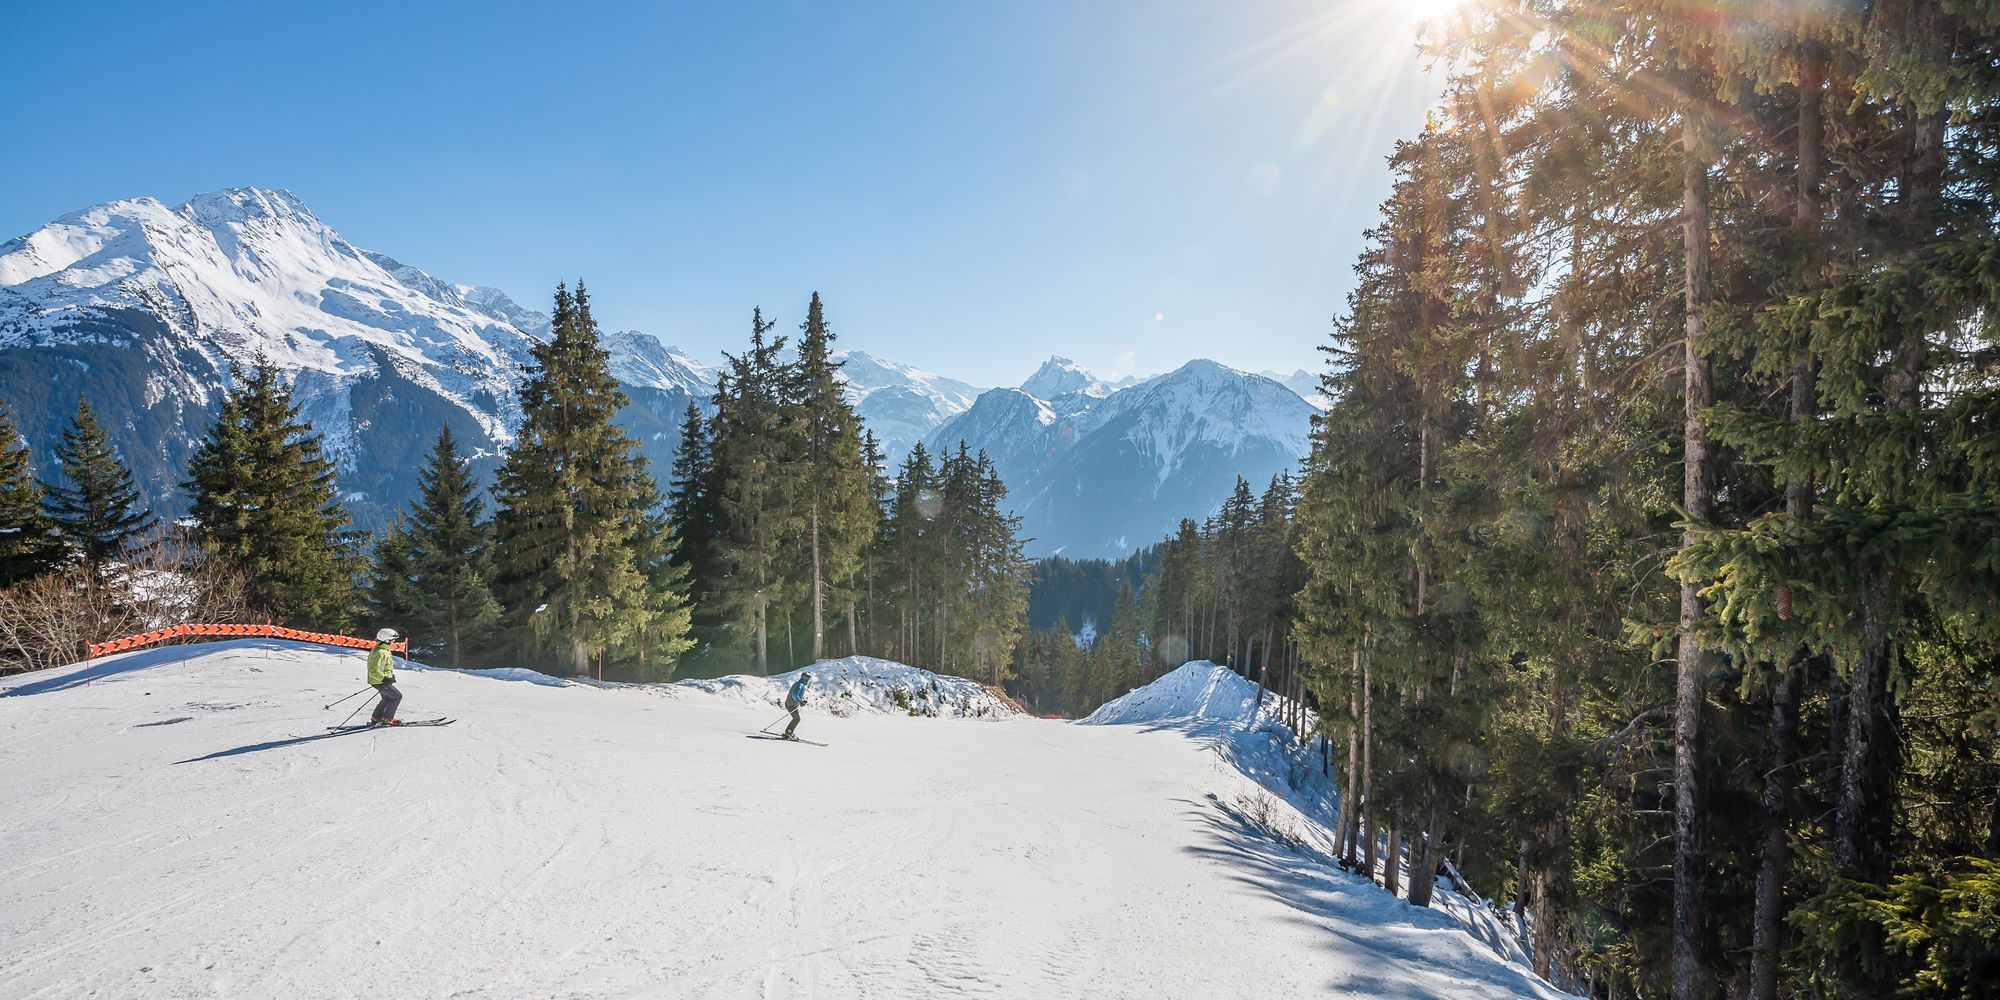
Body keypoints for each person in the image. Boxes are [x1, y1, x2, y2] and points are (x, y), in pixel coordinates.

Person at [368, 628, 403, 727]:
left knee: (387, 698)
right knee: (397, 696)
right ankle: (387, 719)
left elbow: (385, 666)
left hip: (381, 680)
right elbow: (373, 670)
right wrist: (384, 679)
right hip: (379, 681)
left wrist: (390, 676)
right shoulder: (379, 652)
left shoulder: (384, 649)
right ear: (386, 640)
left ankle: (376, 717)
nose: (394, 642)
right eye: (392, 640)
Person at [782, 672, 811, 740]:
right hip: (791, 704)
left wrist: (801, 701)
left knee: (796, 719)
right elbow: (794, 695)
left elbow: (796, 695)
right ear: (805, 678)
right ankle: (788, 733)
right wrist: (800, 701)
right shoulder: (800, 685)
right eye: (808, 678)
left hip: (791, 704)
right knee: (796, 719)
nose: (808, 680)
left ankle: (788, 733)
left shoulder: (799, 684)